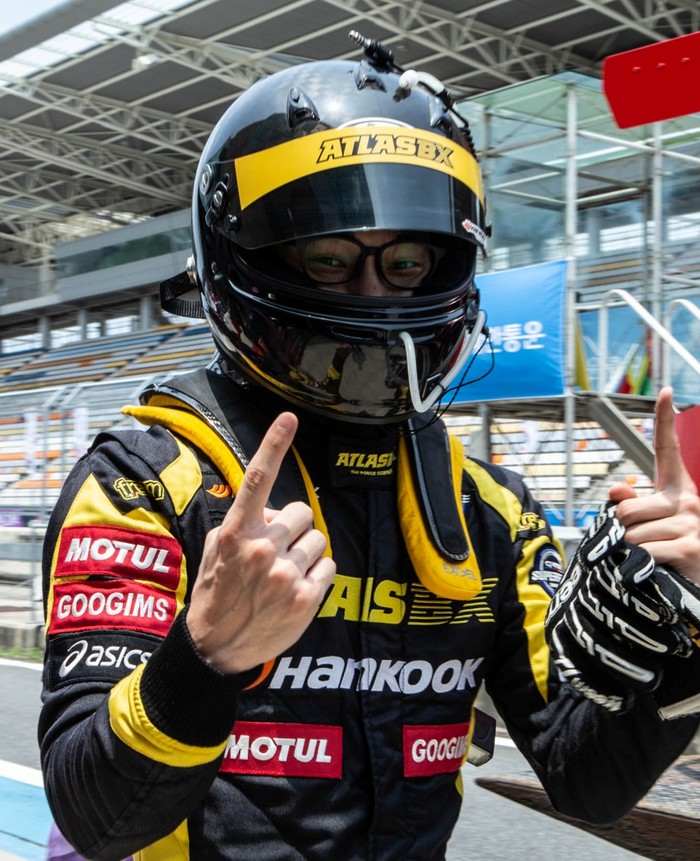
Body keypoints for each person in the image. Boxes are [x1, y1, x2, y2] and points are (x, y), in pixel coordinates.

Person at [38, 32, 700, 861]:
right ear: (242, 257)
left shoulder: (491, 512)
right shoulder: (144, 481)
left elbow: (587, 781)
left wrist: (685, 636)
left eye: (408, 260)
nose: (375, 295)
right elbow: (94, 817)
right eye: (328, 257)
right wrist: (205, 659)